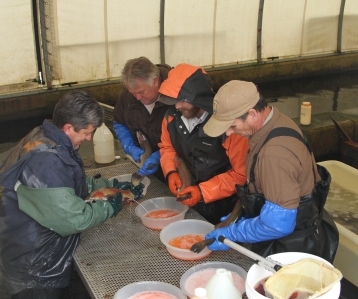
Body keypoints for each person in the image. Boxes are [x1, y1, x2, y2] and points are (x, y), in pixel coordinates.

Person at [0, 90, 143, 299]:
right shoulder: (47, 160)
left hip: (31, 247)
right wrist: (111, 205)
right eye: (86, 133)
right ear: (68, 127)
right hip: (34, 263)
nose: (89, 139)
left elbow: (63, 187)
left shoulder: (45, 137)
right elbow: (74, 218)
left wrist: (105, 185)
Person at [202, 80, 339, 262]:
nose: (228, 133)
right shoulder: (276, 121)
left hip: (291, 248)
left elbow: (278, 225)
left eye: (232, 126)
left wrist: (233, 233)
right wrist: (243, 216)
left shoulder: (274, 155)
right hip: (305, 226)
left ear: (252, 114)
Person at [157, 64, 249, 224]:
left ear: (199, 97)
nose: (177, 106)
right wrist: (170, 171)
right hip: (189, 202)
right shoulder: (170, 117)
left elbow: (240, 174)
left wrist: (202, 192)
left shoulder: (230, 126)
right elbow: (167, 147)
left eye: (183, 100)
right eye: (175, 100)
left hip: (226, 207)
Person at [113, 57, 173, 182]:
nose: (137, 97)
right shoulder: (127, 97)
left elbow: (187, 136)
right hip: (144, 164)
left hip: (174, 168)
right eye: (133, 93)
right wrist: (128, 144)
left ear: (155, 81)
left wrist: (161, 155)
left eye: (141, 92)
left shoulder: (176, 95)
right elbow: (119, 122)